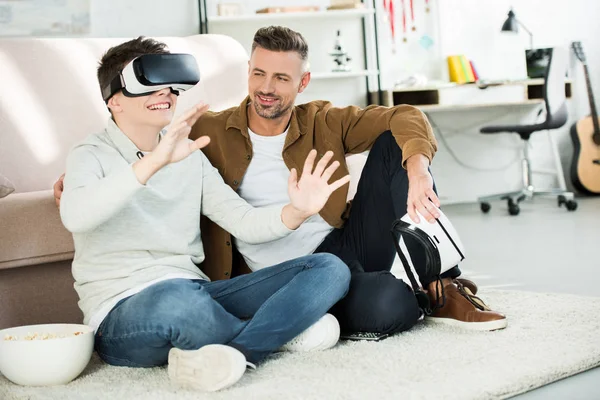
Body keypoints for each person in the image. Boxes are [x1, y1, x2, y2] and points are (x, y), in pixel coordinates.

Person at [55, 27, 507, 336]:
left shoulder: (326, 120)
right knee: (391, 308)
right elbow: (141, 143)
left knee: (395, 141)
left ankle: (445, 282)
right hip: (270, 274)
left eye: (281, 78)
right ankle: (403, 293)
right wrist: (78, 179)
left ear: (303, 81)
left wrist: (418, 167)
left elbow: (406, 115)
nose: (266, 87)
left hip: (341, 245)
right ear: (248, 72)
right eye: (258, 73)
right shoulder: (204, 131)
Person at [59, 36, 352, 392]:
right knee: (177, 301)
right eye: (149, 87)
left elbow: (242, 220)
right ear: (114, 100)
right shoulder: (88, 154)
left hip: (196, 292)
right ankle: (274, 332)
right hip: (122, 312)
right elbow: (76, 216)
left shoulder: (190, 155)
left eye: (170, 87)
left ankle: (238, 352)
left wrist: (297, 211)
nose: (164, 95)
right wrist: (155, 161)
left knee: (328, 268)